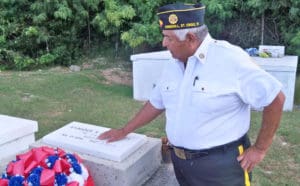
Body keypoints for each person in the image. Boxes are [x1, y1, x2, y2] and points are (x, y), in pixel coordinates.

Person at [99, 2, 285, 186]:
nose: (164, 43)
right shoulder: (174, 63)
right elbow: (156, 102)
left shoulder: (229, 59)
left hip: (221, 168)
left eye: (169, 38)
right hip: (181, 163)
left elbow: (275, 98)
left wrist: (260, 149)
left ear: (190, 38)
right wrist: (124, 130)